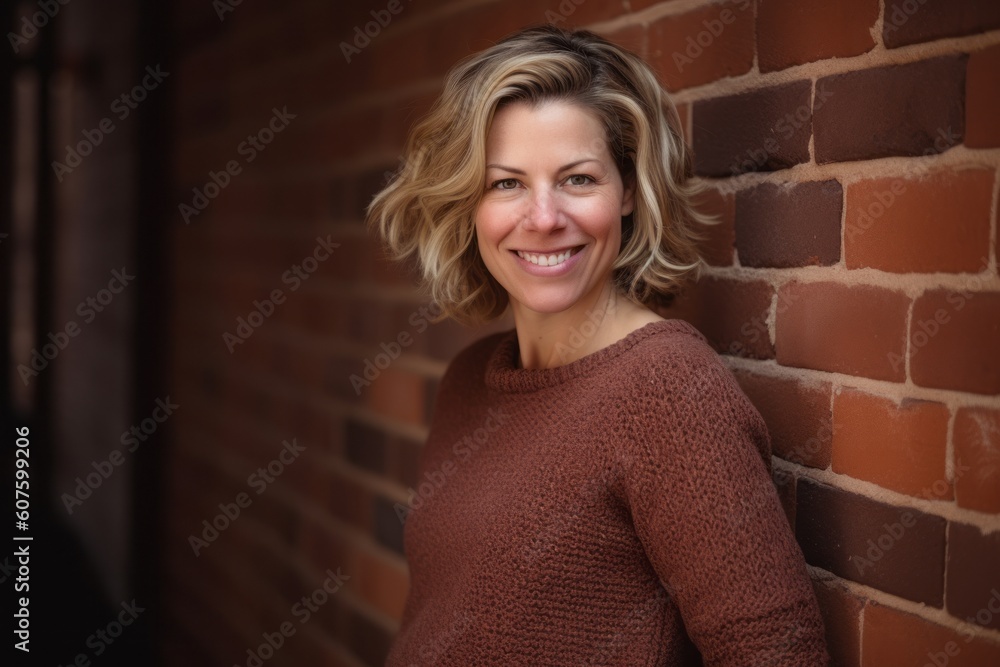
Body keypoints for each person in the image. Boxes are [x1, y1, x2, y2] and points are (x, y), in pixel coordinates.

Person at [367, 24, 830, 666]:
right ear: (467, 205)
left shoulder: (665, 387)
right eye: (507, 183)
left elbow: (776, 652)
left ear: (631, 194)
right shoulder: (471, 379)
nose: (545, 217)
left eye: (578, 179)